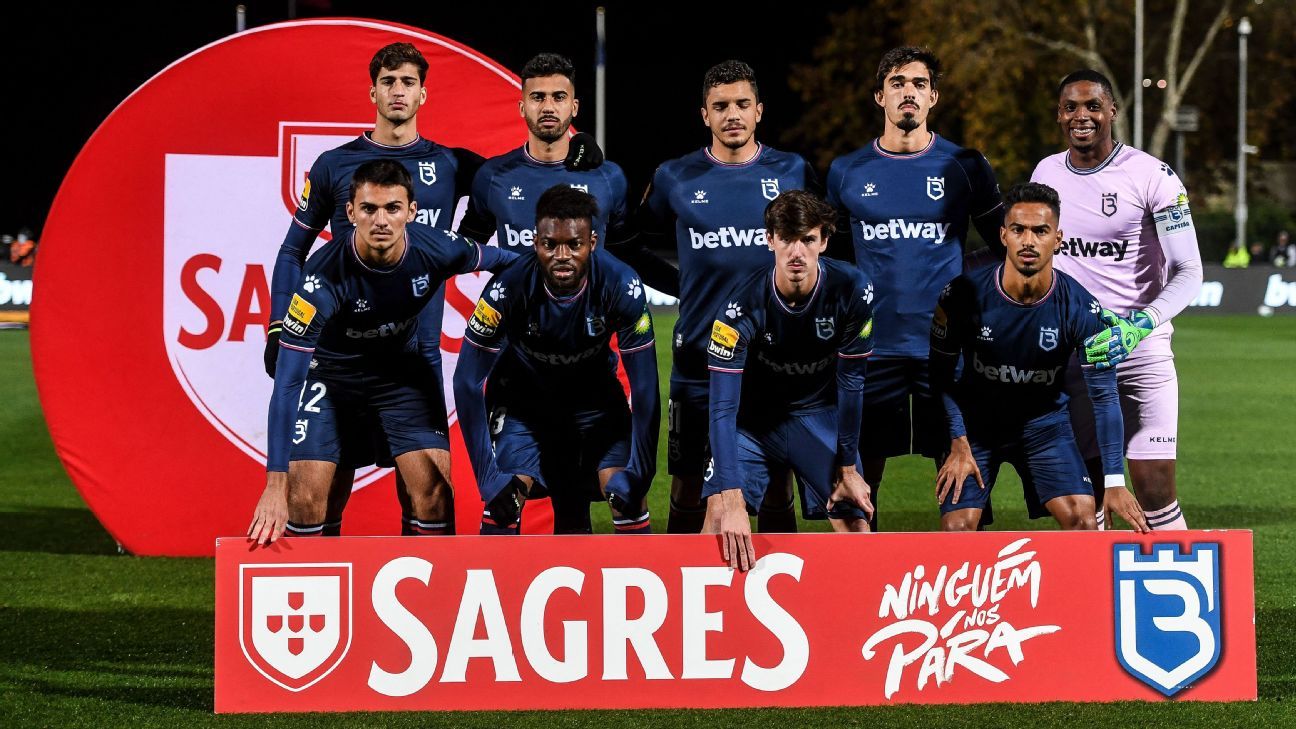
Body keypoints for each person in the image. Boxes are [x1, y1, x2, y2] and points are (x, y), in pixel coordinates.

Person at [260, 43, 601, 535]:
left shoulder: (450, 164)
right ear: (373, 91)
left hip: (414, 357)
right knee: (317, 494)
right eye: (388, 81)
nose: (397, 91)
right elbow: (293, 250)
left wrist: (575, 150)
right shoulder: (334, 165)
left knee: (432, 493)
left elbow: (520, 179)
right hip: (336, 358)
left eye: (408, 82)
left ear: (423, 94)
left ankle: (424, 584)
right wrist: (279, 323)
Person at [246, 161, 516, 545]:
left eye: (392, 208)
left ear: (411, 211)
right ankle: (324, 581)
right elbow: (288, 383)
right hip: (332, 377)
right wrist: (275, 485)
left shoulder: (437, 247)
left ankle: (431, 583)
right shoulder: (321, 280)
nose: (381, 220)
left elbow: (511, 263)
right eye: (369, 208)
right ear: (350, 212)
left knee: (436, 495)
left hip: (402, 375)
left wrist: (523, 313)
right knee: (304, 498)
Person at [824, 46, 1005, 530]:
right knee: (856, 504)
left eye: (919, 84)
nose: (909, 92)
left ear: (933, 97)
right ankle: (863, 579)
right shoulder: (846, 171)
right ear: (879, 96)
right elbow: (833, 262)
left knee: (964, 507)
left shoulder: (965, 165)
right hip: (870, 353)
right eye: (898, 83)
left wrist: (969, 294)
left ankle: (960, 579)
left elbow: (1005, 248)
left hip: (946, 355)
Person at [639, 59, 819, 536]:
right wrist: (682, 286)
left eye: (742, 104)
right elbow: (629, 242)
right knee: (687, 485)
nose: (732, 114)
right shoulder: (675, 177)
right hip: (697, 357)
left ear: (759, 110)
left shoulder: (792, 170)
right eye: (720, 106)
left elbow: (821, 245)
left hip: (773, 361)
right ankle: (680, 579)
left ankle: (782, 575)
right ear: (705, 115)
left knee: (777, 481)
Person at [1032, 69, 1203, 531]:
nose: (1081, 116)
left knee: (1154, 487)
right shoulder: (1046, 173)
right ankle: (1095, 580)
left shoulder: (1152, 175)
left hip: (1141, 352)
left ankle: (1173, 575)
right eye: (1070, 107)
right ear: (1059, 115)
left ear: (1112, 110)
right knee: (1084, 497)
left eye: (1092, 106)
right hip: (1075, 357)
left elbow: (1190, 271)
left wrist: (1138, 326)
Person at [929, 182, 1148, 533]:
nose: (1028, 241)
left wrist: (1114, 481)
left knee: (1083, 521)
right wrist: (956, 441)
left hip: (1044, 427)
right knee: (958, 530)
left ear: (1057, 239)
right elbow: (940, 374)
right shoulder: (961, 295)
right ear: (1003, 235)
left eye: (1040, 231)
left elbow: (1105, 396)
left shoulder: (1081, 307)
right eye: (1018, 230)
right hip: (975, 428)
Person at [454, 186, 659, 535]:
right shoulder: (508, 288)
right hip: (524, 406)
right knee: (503, 503)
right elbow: (466, 381)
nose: (562, 256)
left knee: (627, 496)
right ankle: (493, 572)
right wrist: (488, 479)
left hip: (595, 406)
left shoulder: (621, 284)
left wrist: (641, 472)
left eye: (574, 245)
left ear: (592, 243)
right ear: (535, 242)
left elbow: (645, 388)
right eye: (550, 245)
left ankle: (633, 570)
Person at [703, 190, 875, 571]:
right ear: (770, 240)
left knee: (857, 526)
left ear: (824, 241)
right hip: (753, 424)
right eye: (787, 239)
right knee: (717, 521)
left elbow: (852, 384)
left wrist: (848, 467)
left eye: (808, 240)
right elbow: (722, 407)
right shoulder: (738, 306)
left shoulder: (852, 289)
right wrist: (730, 496)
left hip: (817, 416)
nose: (797, 253)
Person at [458, 53, 629, 254]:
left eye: (559, 97)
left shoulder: (609, 177)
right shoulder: (492, 176)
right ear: (522, 108)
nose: (548, 107)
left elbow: (628, 254)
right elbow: (463, 252)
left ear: (574, 107)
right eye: (538, 97)